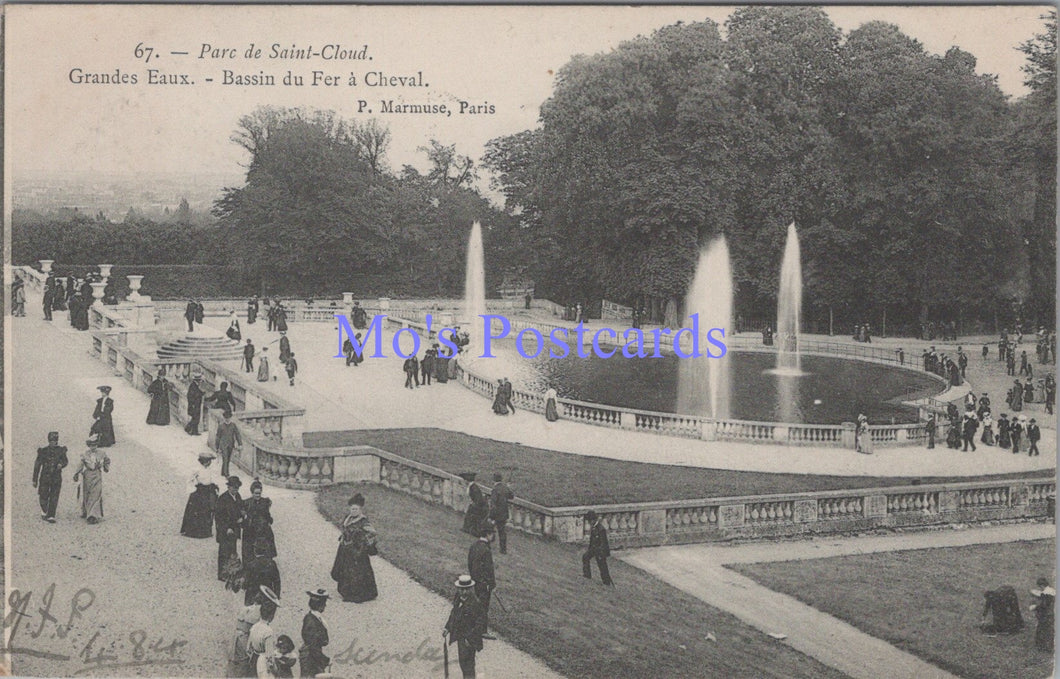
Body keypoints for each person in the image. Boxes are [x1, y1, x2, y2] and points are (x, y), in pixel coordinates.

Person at [330, 493, 378, 603]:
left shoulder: (363, 521)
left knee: (358, 572)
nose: (353, 511)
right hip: (345, 549)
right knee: (345, 569)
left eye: (356, 509)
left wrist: (362, 541)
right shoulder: (348, 519)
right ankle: (346, 592)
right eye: (352, 509)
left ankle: (358, 594)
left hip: (357, 551)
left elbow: (373, 532)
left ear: (360, 510)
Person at [444, 575, 488, 679]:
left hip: (469, 638)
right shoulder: (458, 598)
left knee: (468, 665)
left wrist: (470, 638)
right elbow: (453, 614)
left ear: (470, 589)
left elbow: (481, 622)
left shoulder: (475, 603)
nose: (463, 592)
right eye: (461, 589)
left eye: (466, 590)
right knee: (463, 663)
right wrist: (447, 628)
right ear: (458, 589)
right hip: (461, 637)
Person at [181, 451, 220, 538]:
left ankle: (205, 531)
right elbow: (189, 480)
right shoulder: (196, 469)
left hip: (208, 491)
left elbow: (211, 479)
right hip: (199, 492)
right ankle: (193, 531)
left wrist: (215, 486)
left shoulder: (209, 470)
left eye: (210, 461)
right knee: (196, 511)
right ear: (203, 461)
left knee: (207, 511)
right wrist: (193, 489)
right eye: (208, 461)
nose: (209, 463)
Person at [74, 436, 110, 524]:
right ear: (88, 445)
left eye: (95, 445)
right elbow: (81, 464)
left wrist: (106, 468)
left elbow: (107, 460)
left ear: (97, 445)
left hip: (97, 474)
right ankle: (86, 511)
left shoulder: (102, 453)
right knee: (87, 493)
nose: (93, 447)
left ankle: (92, 515)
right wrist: (76, 473)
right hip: (87, 475)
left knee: (96, 494)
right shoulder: (85, 454)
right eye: (91, 445)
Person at [33, 431, 68, 523]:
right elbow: (37, 465)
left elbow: (65, 461)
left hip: (56, 477)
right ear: (48, 441)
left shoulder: (61, 450)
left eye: (55, 441)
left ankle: (51, 515)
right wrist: (34, 479)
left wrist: (62, 464)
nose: (53, 442)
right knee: (43, 494)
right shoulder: (43, 451)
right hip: (45, 476)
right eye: (52, 441)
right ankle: (44, 509)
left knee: (54, 496)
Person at [216, 476, 244, 582]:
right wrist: (226, 528)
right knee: (223, 551)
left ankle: (231, 571)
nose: (235, 489)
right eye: (233, 487)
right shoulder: (223, 499)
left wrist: (241, 517)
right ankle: (222, 573)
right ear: (229, 487)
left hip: (234, 529)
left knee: (232, 550)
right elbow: (219, 517)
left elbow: (241, 508)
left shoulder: (238, 496)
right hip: (225, 530)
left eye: (237, 487)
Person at [229, 591, 263, 677]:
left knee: (236, 662)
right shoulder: (258, 612)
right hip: (245, 637)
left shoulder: (246, 608)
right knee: (244, 662)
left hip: (237, 636)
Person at [242, 480, 276, 564]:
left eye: (259, 493)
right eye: (255, 493)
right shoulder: (247, 503)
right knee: (249, 543)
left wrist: (269, 521)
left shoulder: (264, 502)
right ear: (252, 493)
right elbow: (243, 514)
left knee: (267, 540)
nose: (257, 495)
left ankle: (267, 561)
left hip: (262, 527)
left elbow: (267, 514)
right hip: (251, 527)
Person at [299, 589, 331, 678]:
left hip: (311, 654)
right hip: (311, 656)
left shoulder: (311, 617)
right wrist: (324, 659)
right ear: (321, 606)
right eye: (324, 604)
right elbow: (312, 645)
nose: (325, 606)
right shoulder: (312, 621)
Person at [468, 524, 496, 622]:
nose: (492, 537)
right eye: (492, 534)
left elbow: (470, 563)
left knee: (475, 603)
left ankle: (472, 625)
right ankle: (482, 630)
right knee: (483, 607)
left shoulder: (474, 546)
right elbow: (489, 569)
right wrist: (491, 583)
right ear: (488, 534)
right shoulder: (486, 550)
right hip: (483, 583)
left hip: (474, 580)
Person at [243, 539, 282, 607]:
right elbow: (277, 581)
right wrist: (276, 596)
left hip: (252, 597)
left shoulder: (251, 564)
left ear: (255, 550)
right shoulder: (272, 564)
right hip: (267, 597)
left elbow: (246, 583)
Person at [247, 595, 279, 678]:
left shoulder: (254, 626)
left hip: (254, 660)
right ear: (271, 616)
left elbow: (248, 649)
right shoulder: (268, 631)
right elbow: (269, 659)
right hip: (263, 664)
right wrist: (276, 671)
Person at [582, 510, 613, 586]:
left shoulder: (601, 529)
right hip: (594, 549)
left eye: (590, 521)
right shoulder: (594, 528)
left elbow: (603, 543)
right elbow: (592, 541)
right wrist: (590, 550)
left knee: (602, 567)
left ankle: (607, 583)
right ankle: (587, 575)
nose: (589, 523)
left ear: (593, 520)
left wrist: (600, 554)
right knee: (585, 557)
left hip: (601, 551)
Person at [488, 473, 513, 555]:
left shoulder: (495, 489)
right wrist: (509, 488)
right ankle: (503, 550)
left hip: (496, 514)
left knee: (489, 529)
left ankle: (487, 545)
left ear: (494, 480)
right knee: (502, 532)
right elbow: (511, 496)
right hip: (504, 514)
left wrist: (491, 516)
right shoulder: (505, 488)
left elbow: (493, 503)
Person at [1031, 577, 1055, 652]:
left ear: (1041, 585)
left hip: (1046, 615)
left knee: (1042, 630)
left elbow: (1044, 606)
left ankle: (1043, 647)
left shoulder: (1046, 594)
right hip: (1052, 614)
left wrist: (1035, 607)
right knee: (1049, 630)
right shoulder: (1052, 591)